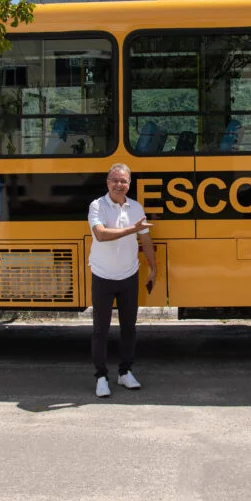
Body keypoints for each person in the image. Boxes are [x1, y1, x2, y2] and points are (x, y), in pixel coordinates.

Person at [88, 163, 157, 398]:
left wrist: (153, 269)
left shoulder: (136, 207)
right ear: (107, 182)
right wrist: (132, 230)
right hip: (103, 276)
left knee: (129, 328)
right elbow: (100, 234)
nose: (119, 184)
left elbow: (145, 240)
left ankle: (125, 372)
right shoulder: (97, 206)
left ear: (129, 184)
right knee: (101, 330)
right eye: (114, 180)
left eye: (124, 181)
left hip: (129, 275)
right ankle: (101, 377)